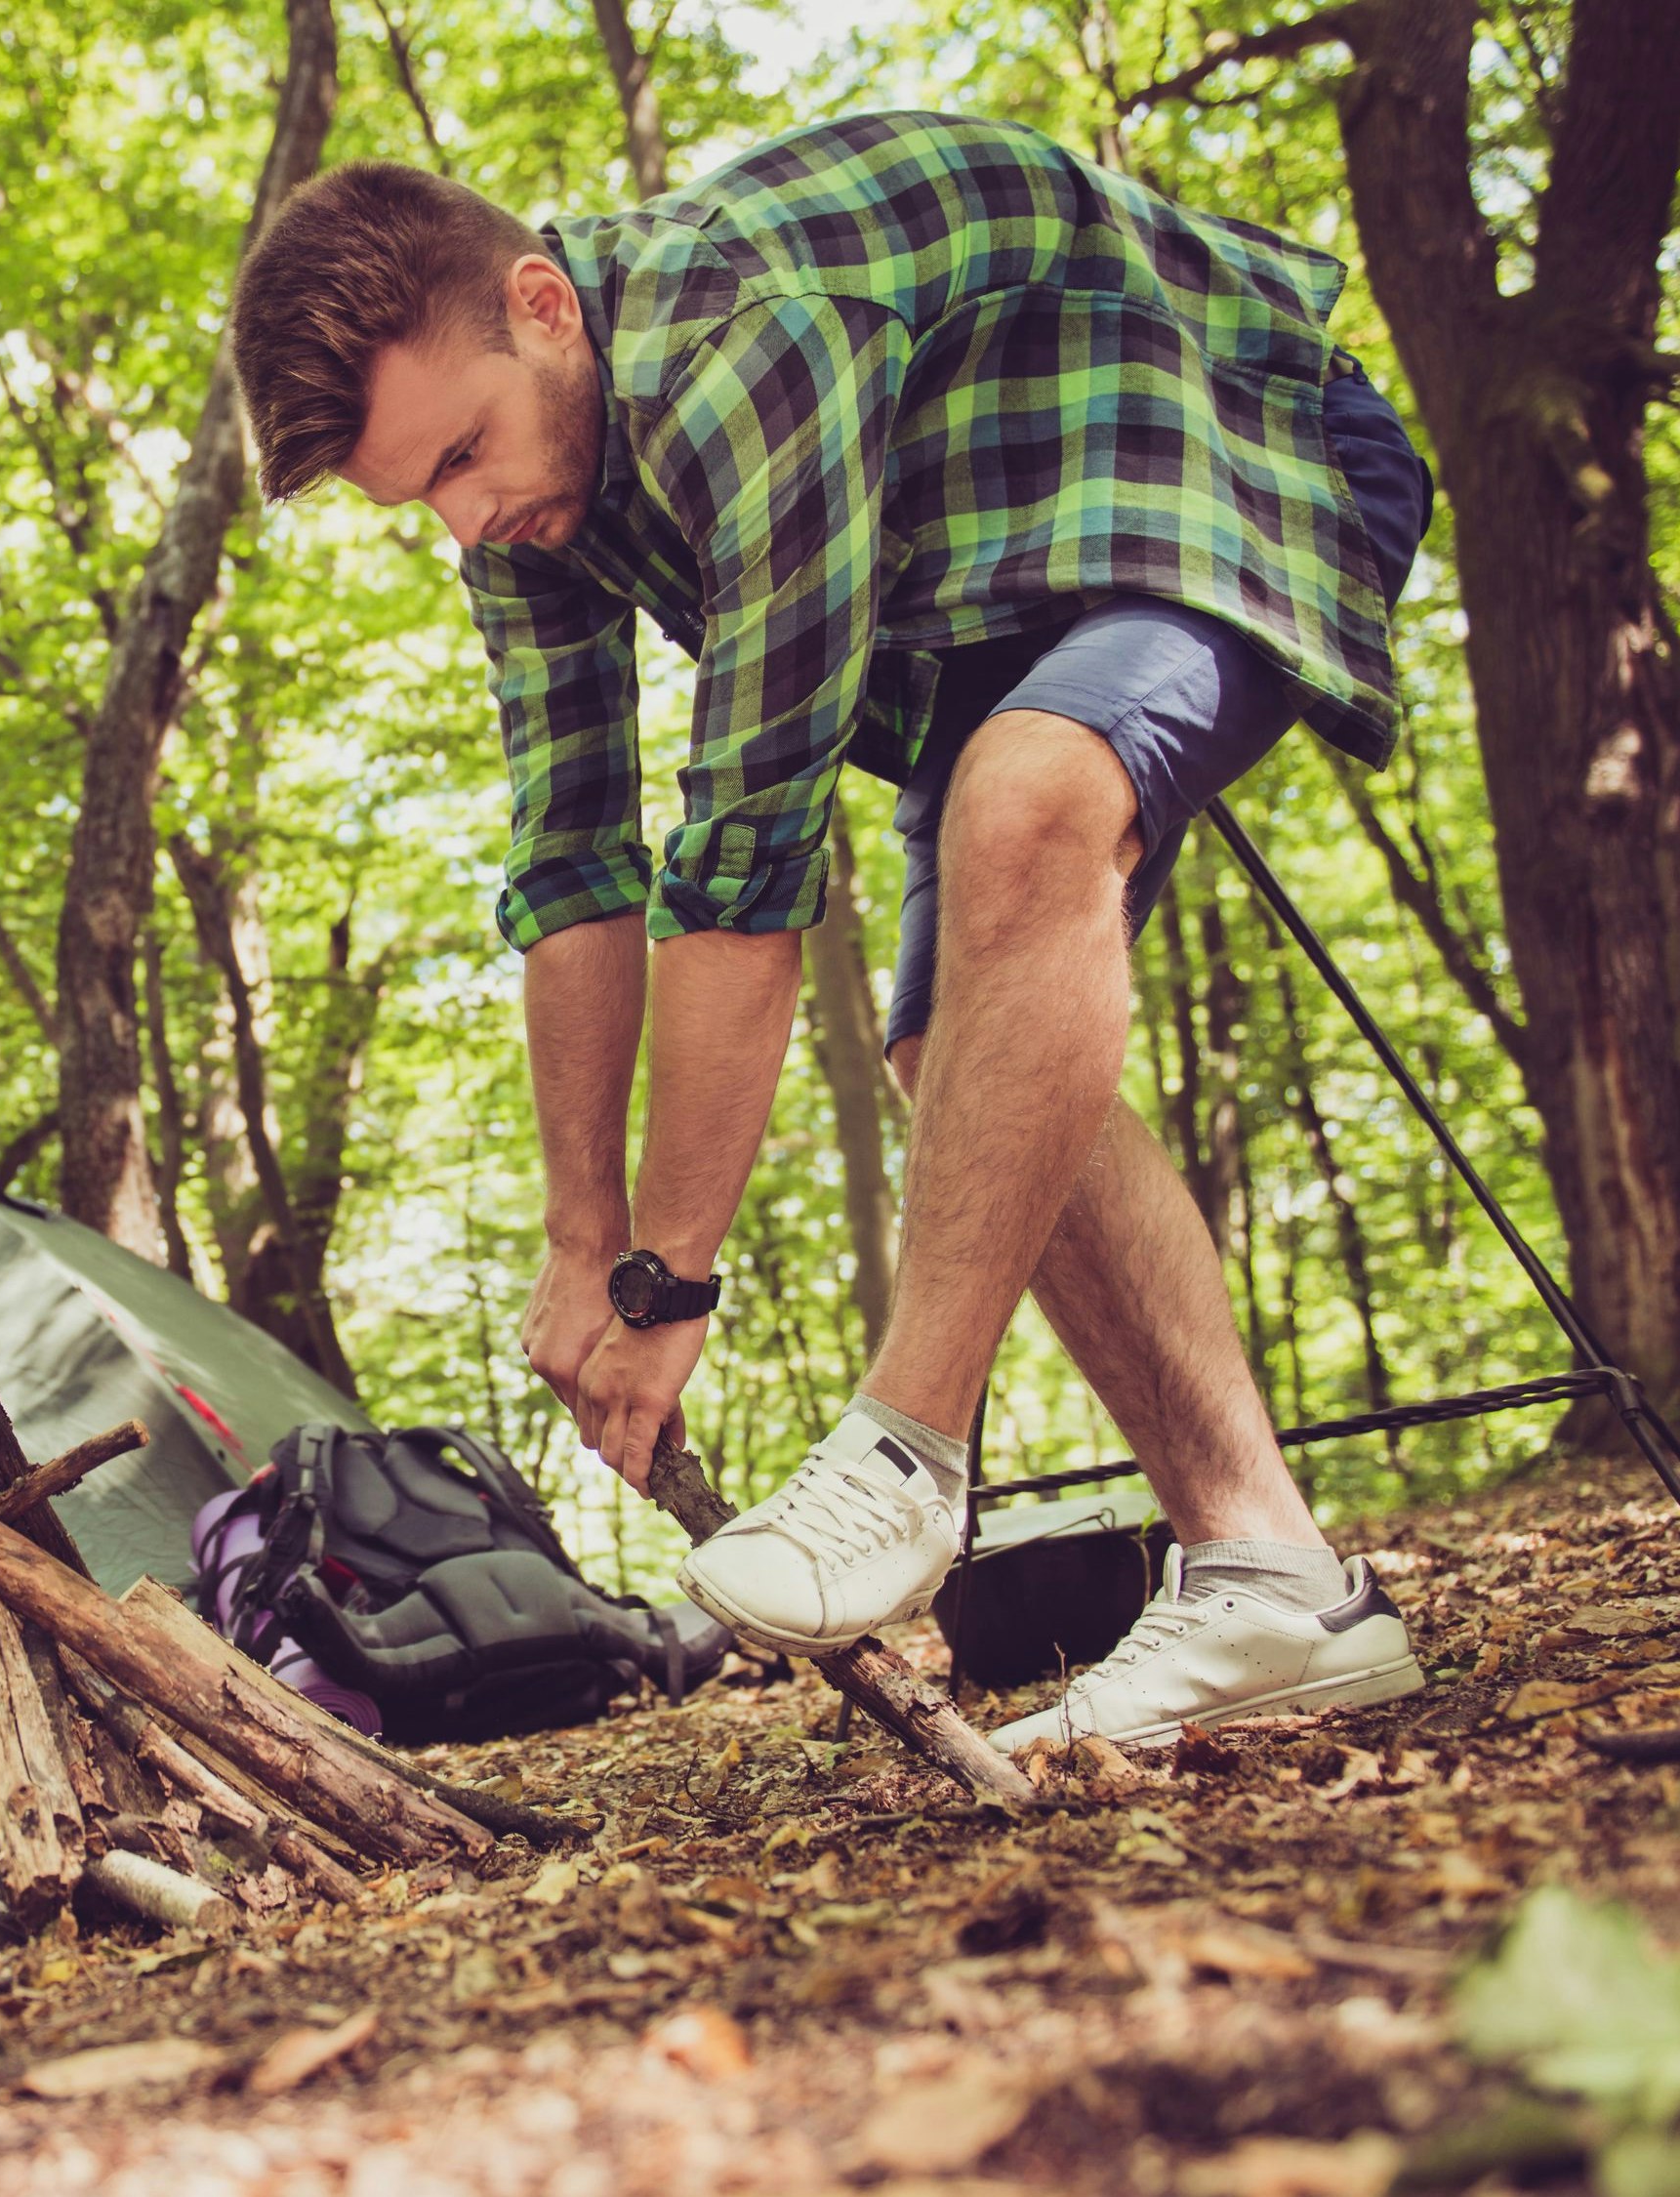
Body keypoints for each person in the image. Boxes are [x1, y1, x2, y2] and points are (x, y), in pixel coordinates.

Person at [226, 112, 1433, 1751]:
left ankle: (905, 1457)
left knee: (1024, 806)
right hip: (994, 588)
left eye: (459, 456)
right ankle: (1275, 1578)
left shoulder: (739, 349)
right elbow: (577, 864)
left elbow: (742, 872)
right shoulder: (530, 498)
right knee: (955, 1048)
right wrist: (586, 1245)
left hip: (1234, 454)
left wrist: (670, 1283)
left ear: (542, 306)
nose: (464, 517)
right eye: (416, 493)